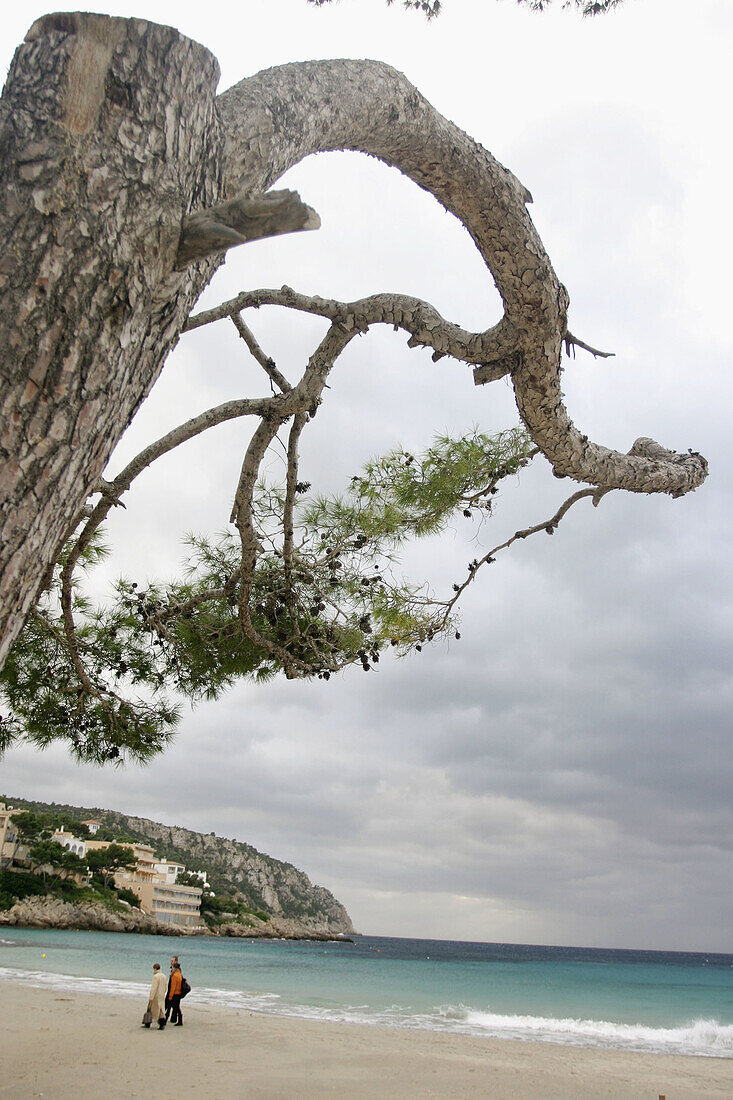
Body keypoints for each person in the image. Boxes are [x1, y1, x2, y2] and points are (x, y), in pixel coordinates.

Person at [148, 963, 168, 1030]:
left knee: (151, 1009)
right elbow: (165, 986)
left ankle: (147, 1022)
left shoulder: (156, 976)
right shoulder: (164, 976)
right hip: (161, 994)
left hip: (156, 995)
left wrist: (151, 997)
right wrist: (163, 992)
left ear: (155, 968)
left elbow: (154, 988)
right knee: (161, 1009)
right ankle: (162, 1023)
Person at [168, 961, 184, 1026]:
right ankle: (179, 1020)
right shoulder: (179, 974)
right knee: (176, 1007)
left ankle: (179, 1020)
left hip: (175, 993)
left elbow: (173, 987)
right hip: (179, 993)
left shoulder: (174, 975)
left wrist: (170, 996)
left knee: (176, 1007)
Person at [165, 955, 179, 1021]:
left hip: (174, 990)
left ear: (176, 961)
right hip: (171, 989)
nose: (171, 962)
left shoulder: (177, 970)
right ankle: (168, 1017)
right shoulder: (172, 969)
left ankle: (167, 1017)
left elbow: (175, 982)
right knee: (171, 1004)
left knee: (172, 1005)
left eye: (172, 961)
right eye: (171, 961)